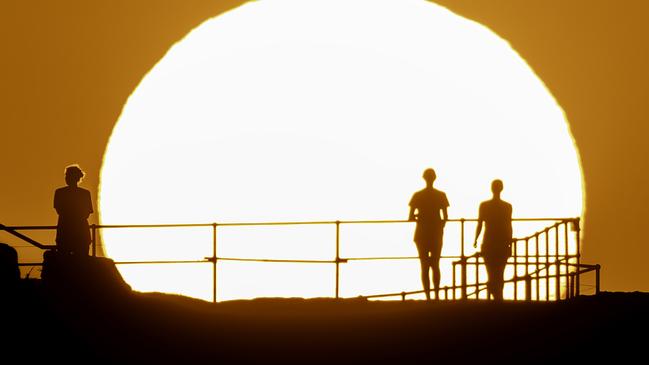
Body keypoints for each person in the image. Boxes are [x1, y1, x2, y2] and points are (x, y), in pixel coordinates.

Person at [408, 168, 449, 300]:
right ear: (435, 178)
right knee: (436, 265)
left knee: (424, 266)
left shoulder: (417, 195)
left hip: (421, 233)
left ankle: (428, 296)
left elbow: (410, 217)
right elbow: (445, 217)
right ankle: (437, 295)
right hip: (436, 232)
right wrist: (439, 226)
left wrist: (419, 216)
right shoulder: (441, 195)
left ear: (424, 178)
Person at [473, 179, 513, 301]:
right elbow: (508, 226)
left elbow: (480, 224)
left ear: (492, 189)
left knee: (490, 272)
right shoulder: (507, 206)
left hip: (488, 241)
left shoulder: (484, 205)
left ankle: (494, 298)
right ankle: (499, 297)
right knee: (500, 273)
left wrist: (475, 238)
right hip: (502, 242)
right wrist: (510, 242)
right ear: (501, 189)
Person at [53, 165, 94, 256]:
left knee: (65, 258)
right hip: (79, 230)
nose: (67, 178)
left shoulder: (60, 192)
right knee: (82, 259)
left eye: (68, 176)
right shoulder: (85, 193)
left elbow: (59, 210)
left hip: (65, 230)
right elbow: (87, 212)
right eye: (66, 176)